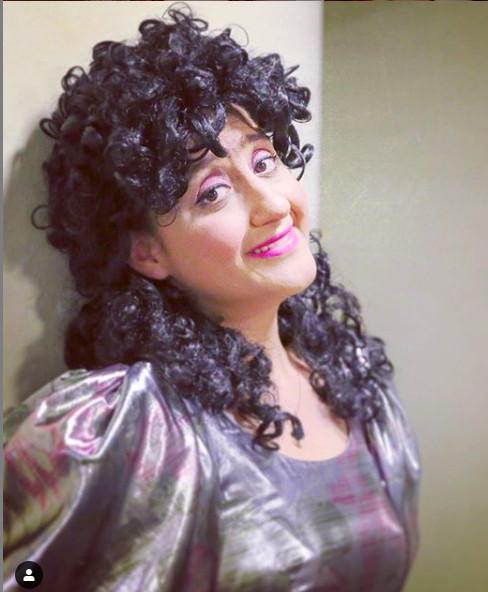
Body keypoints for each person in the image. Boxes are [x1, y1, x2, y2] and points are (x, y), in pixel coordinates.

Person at [3, 5, 420, 592]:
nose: (272, 204)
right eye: (214, 193)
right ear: (146, 252)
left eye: (265, 161)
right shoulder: (116, 434)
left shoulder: (355, 383)